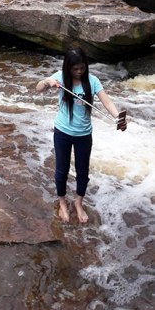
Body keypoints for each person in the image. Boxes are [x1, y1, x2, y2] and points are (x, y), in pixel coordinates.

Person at [36, 46, 127, 224]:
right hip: (62, 132)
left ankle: (78, 203)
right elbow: (39, 88)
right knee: (61, 171)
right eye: (75, 69)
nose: (78, 72)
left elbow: (107, 101)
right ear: (67, 67)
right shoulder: (60, 78)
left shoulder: (92, 81)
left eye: (82, 68)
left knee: (83, 172)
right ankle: (62, 202)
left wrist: (118, 118)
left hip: (84, 135)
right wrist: (48, 82)